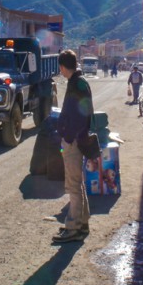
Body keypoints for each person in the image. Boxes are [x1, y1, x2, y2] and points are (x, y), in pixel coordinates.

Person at [53, 49, 92, 244]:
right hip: (75, 140)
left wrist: (68, 136)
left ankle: (73, 227)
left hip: (73, 142)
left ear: (62, 67)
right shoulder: (78, 82)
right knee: (78, 183)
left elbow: (81, 115)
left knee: (73, 185)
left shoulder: (77, 84)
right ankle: (81, 222)